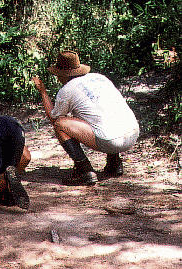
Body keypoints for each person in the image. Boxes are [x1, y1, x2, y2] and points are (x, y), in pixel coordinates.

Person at [33, 50, 139, 185]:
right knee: (100, 114)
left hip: (111, 141)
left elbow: (54, 118)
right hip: (132, 133)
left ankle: (84, 170)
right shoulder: (100, 77)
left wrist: (42, 91)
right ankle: (114, 162)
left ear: (61, 74)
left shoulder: (67, 90)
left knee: (60, 124)